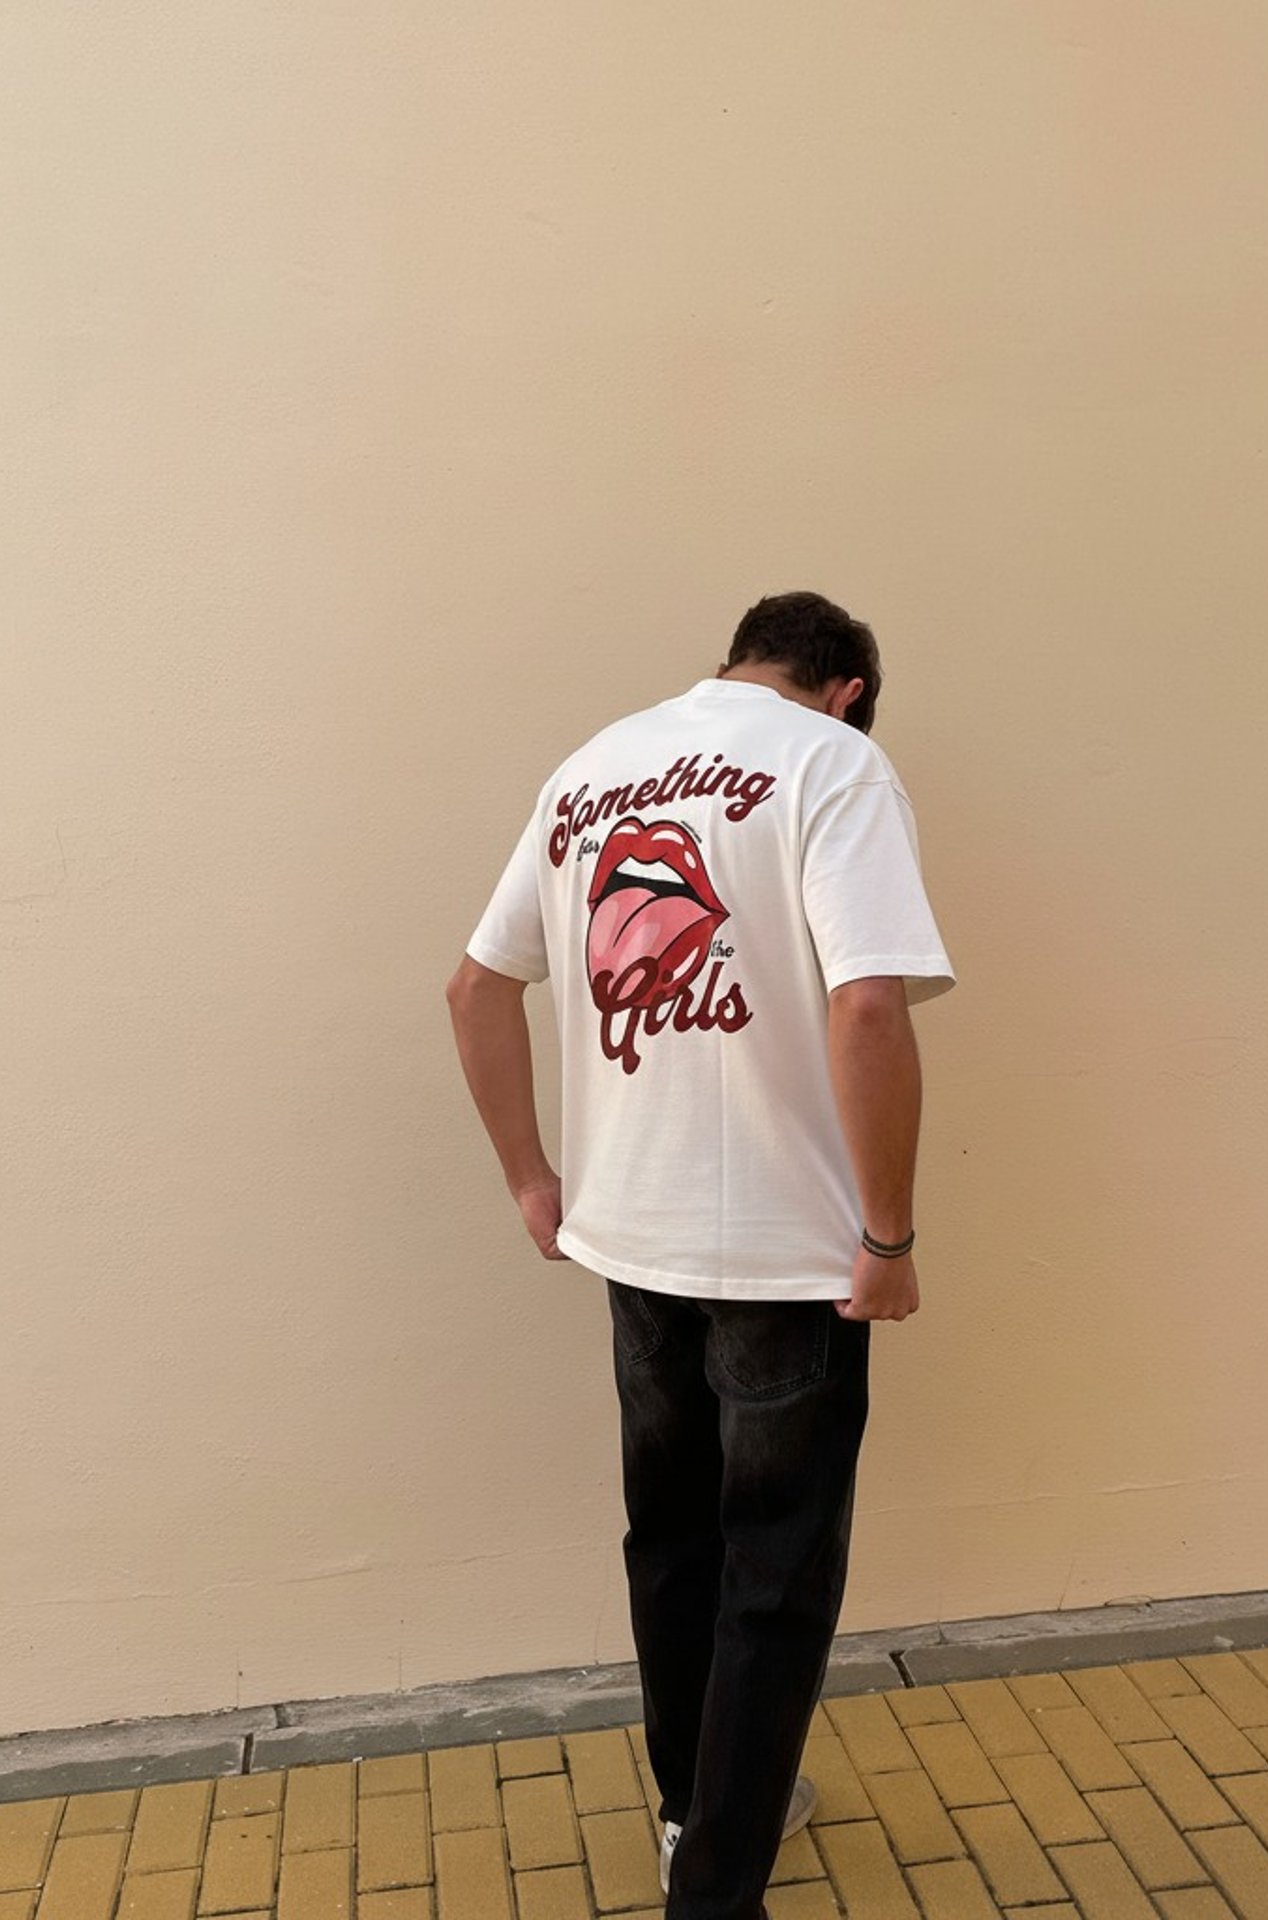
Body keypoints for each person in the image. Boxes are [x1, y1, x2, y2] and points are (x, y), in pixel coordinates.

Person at [446, 590, 954, 1920]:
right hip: (789, 1257)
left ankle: (700, 1811)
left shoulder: (592, 766)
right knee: (778, 1566)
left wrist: (529, 1177)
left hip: (633, 1234)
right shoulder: (836, 763)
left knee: (674, 1539)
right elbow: (868, 1004)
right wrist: (889, 1237)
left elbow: (474, 985)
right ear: (845, 687)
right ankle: (717, 1887)